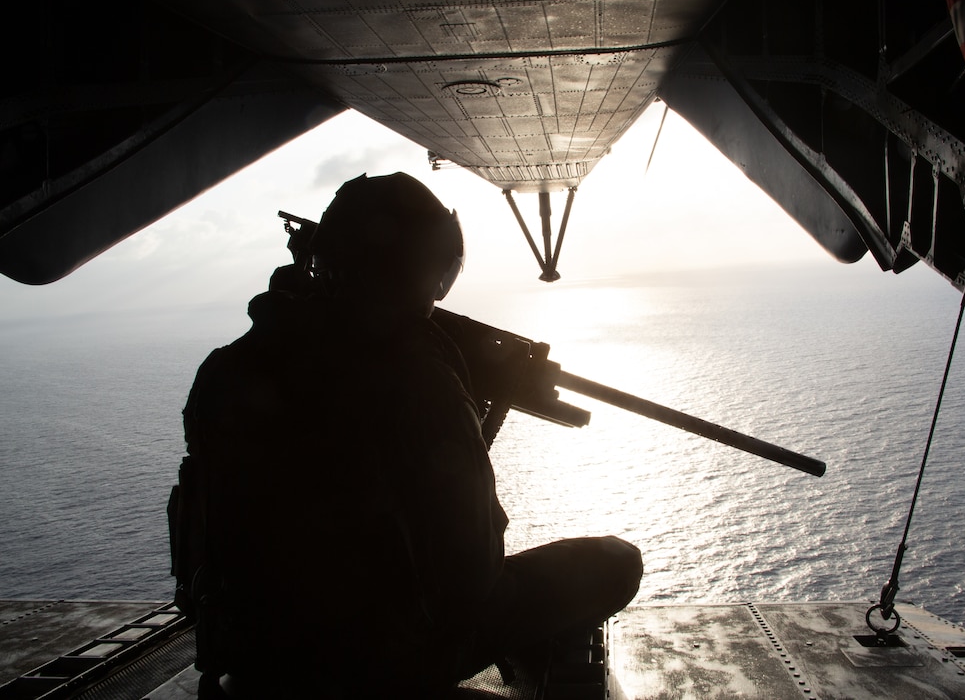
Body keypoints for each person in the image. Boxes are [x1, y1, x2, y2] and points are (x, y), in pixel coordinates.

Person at [172, 172, 642, 698]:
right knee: (615, 564)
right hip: (380, 668)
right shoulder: (418, 381)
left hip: (251, 660)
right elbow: (471, 575)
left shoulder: (226, 368)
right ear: (415, 272)